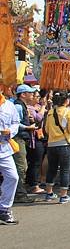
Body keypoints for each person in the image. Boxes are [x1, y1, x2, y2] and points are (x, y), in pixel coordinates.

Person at [44, 92, 70, 204]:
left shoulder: (50, 112)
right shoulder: (69, 112)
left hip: (51, 145)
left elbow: (47, 130)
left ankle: (49, 193)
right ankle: (63, 196)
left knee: (52, 169)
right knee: (65, 170)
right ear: (66, 101)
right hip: (64, 144)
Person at [12, 84, 36, 203]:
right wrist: (27, 127)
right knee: (21, 167)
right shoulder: (18, 106)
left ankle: (19, 192)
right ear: (23, 94)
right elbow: (15, 123)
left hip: (21, 139)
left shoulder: (22, 106)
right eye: (30, 92)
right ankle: (20, 194)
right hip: (18, 138)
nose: (32, 95)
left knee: (22, 166)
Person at [0, 88, 20, 225]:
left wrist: (10, 132)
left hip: (4, 148)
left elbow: (15, 122)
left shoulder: (9, 105)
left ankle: (4, 209)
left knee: (13, 177)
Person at [25, 89, 48, 194]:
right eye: (37, 96)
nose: (38, 99)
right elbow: (38, 118)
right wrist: (43, 106)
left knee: (36, 161)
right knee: (35, 162)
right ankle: (34, 185)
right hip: (34, 138)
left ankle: (32, 183)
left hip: (39, 136)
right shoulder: (29, 108)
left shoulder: (35, 107)